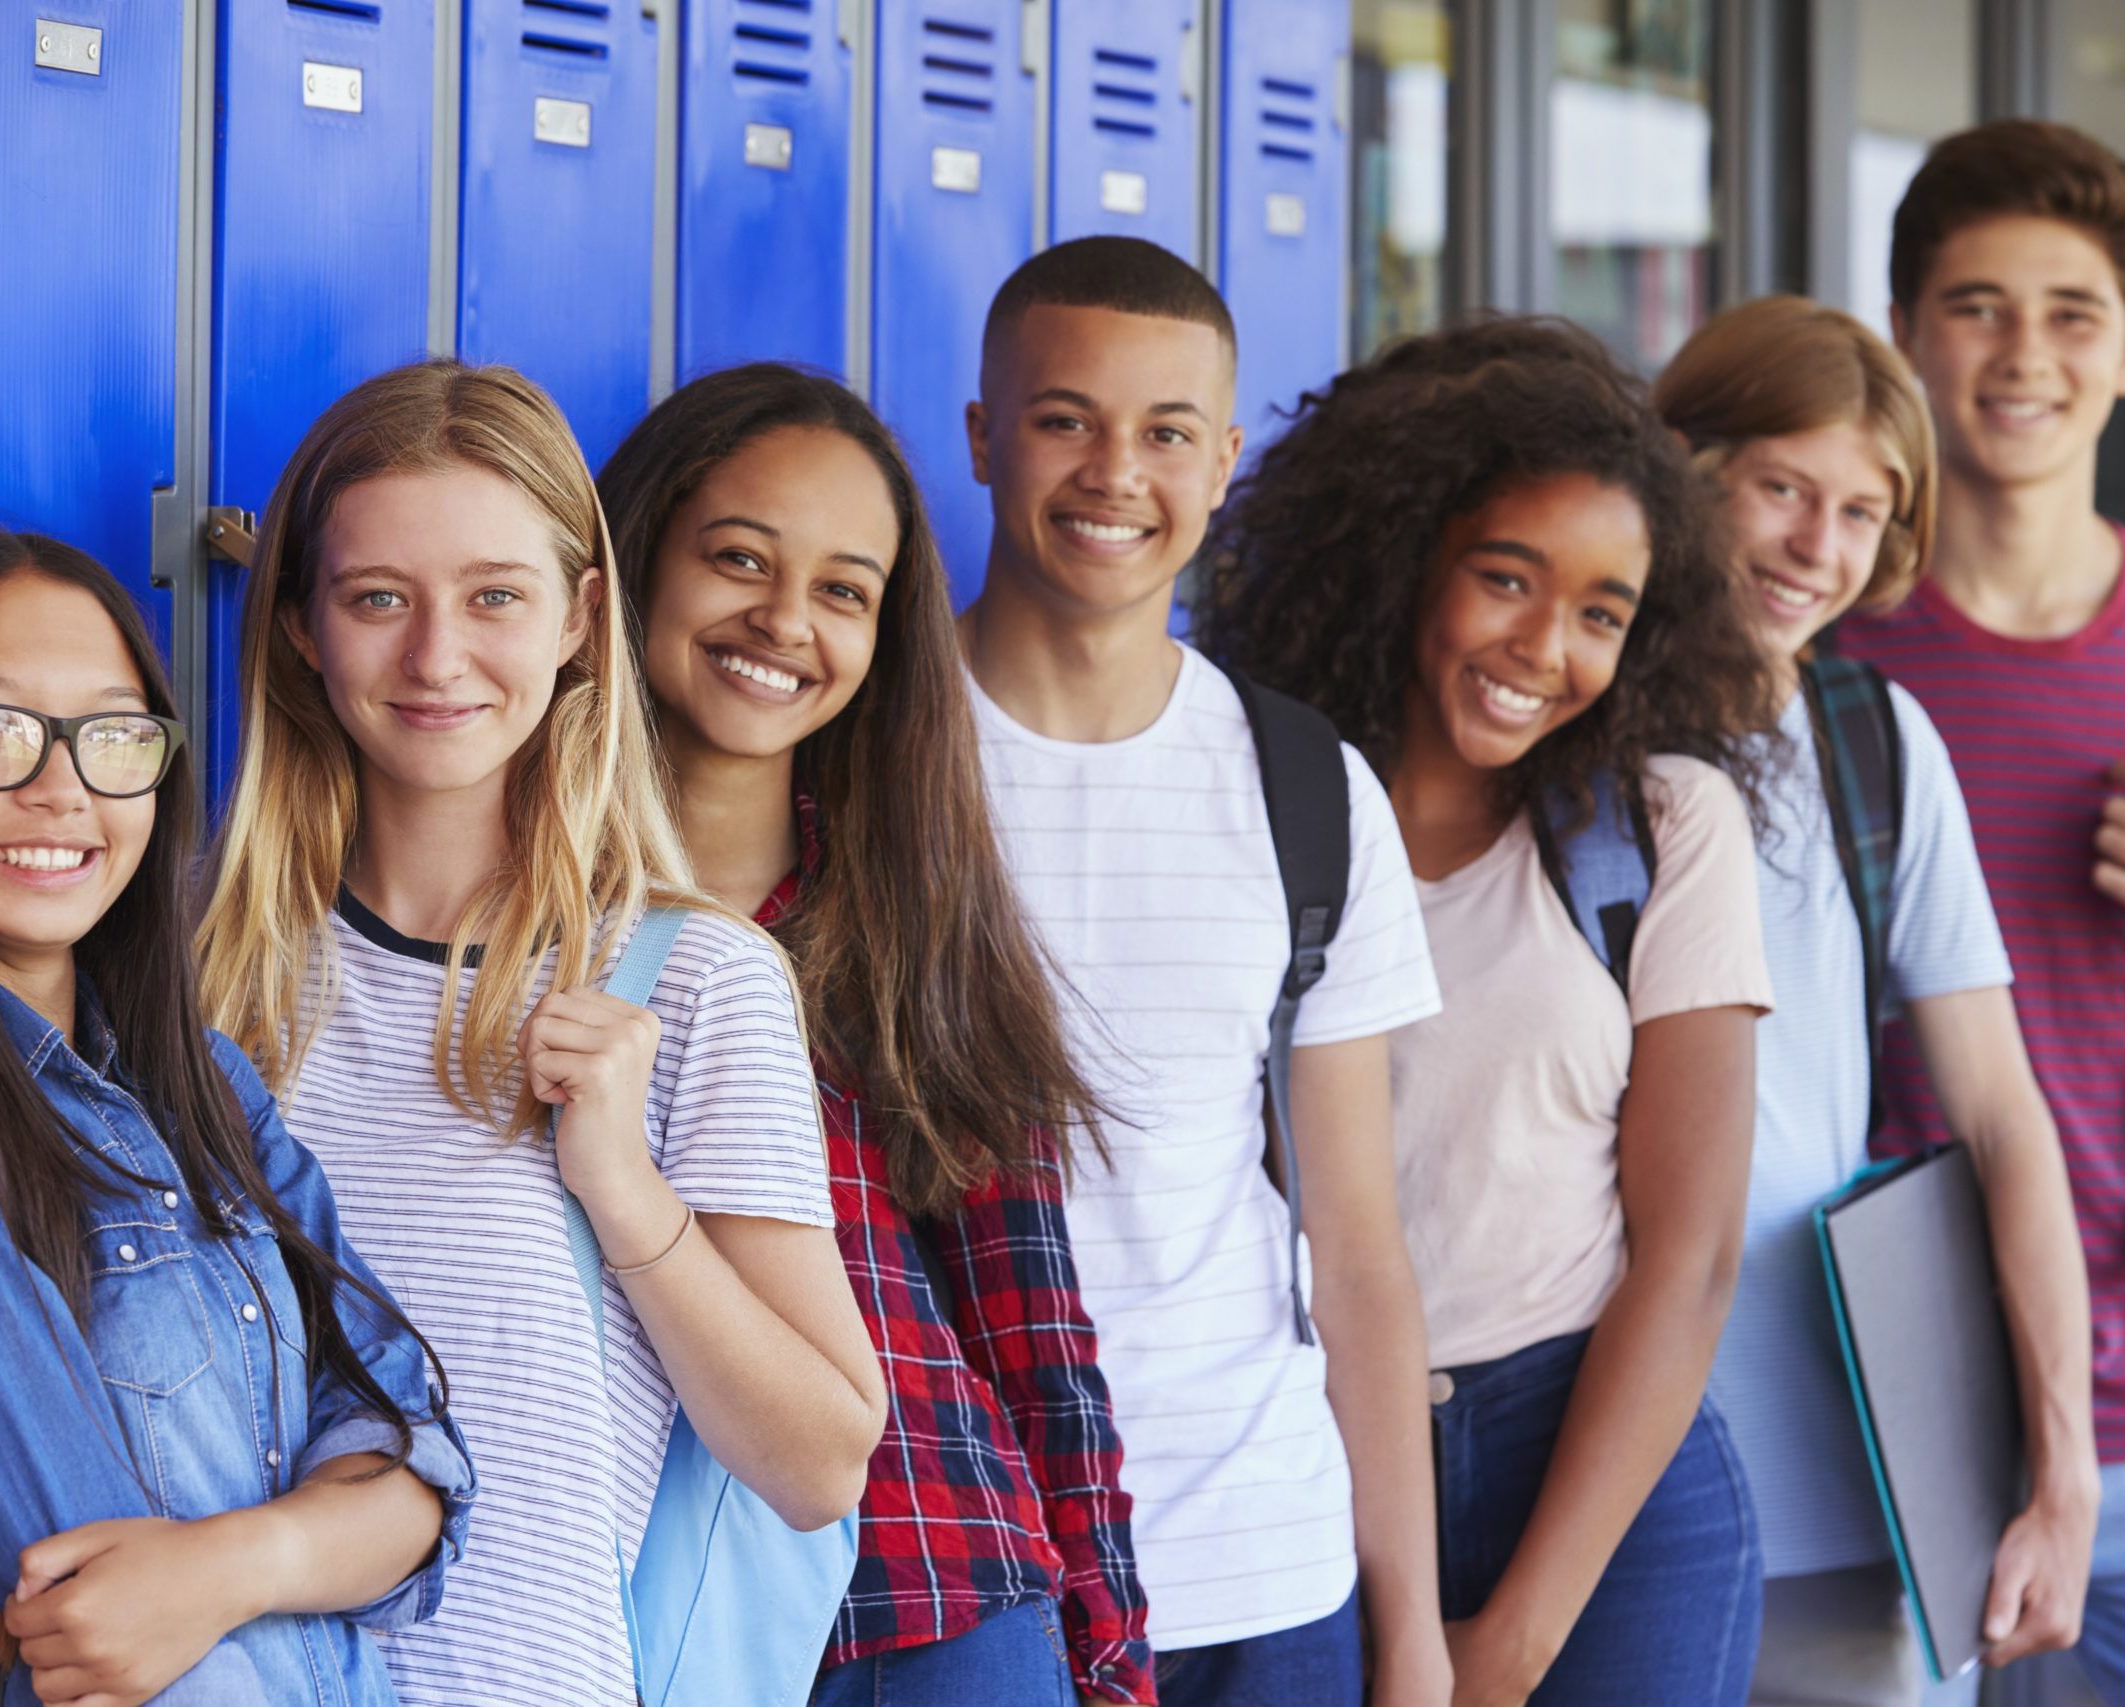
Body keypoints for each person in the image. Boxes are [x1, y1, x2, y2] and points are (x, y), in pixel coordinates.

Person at [198, 359, 885, 1704]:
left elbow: (819, 1462)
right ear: (299, 624)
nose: (436, 655)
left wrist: (623, 1190)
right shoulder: (198, 967)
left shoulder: (694, 981)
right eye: (377, 597)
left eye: (493, 597)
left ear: (580, 618)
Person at [1198, 317, 1774, 1707]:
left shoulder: (1658, 827)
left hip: (1593, 1478)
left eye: (1599, 610)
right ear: (1402, 561)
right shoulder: (1249, 799)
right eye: (1505, 578)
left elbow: (1687, 1260)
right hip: (1304, 1448)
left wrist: (1516, 1632)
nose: (1543, 648)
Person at [0, 528, 473, 1707]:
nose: (61, 785)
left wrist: (232, 1563)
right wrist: (316, 1543)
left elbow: (422, 1468)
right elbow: (102, 1627)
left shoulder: (208, 1089)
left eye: (114, 734)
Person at [599, 361, 1153, 1705]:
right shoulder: (512, 917)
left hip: (927, 1601)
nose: (784, 620)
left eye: (844, 590)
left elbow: (1031, 1328)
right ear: (631, 566)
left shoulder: (909, 918)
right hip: (622, 1612)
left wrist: (1113, 1659)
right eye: (738, 558)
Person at [958, 235, 1453, 1707]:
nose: (1117, 472)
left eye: (1166, 432)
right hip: (975, 1573)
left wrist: (1411, 1625)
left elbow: (1355, 1246)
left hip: (1269, 1572)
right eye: (1065, 420)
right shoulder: (867, 759)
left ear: (1224, 458)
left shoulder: (1305, 782)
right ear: (985, 435)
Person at [1837, 119, 2125, 1707]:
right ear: (1906, 336)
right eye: (1976, 305)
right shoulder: (1836, 652)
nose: (2024, 354)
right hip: (1878, 1389)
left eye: (2070, 312)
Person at [1653, 295, 2099, 1704]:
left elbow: (2004, 1118)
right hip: (1604, 1473)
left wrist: (2061, 1466)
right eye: (1780, 488)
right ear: (1684, 468)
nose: (1815, 548)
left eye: (1859, 512)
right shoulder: (1566, 715)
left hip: (1859, 1472)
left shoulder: (1875, 742)